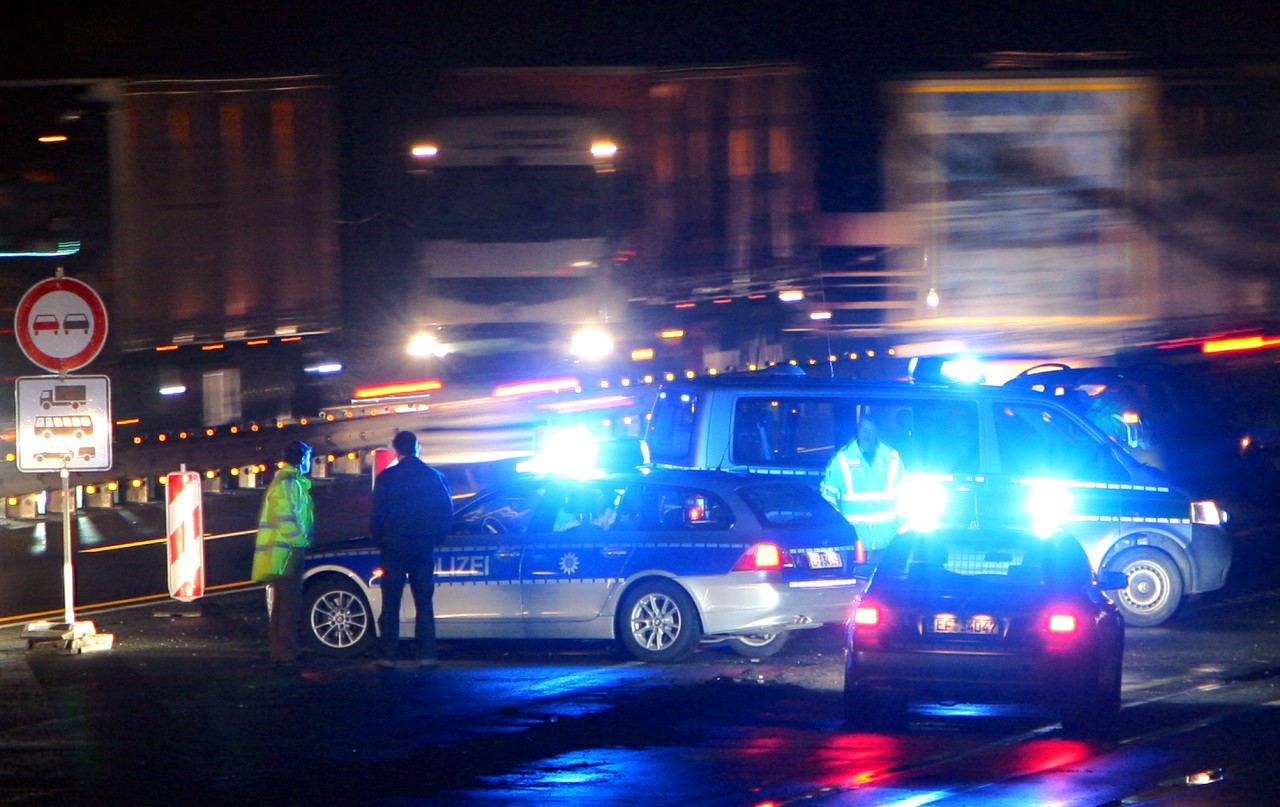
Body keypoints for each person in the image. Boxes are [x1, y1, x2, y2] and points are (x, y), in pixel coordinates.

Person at [370, 430, 454, 668]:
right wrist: (437, 537)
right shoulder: (434, 476)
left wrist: (379, 539)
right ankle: (427, 655)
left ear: (396, 450)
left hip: (394, 548)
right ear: (417, 447)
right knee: (424, 603)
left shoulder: (387, 477)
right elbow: (446, 511)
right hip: (423, 547)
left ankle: (387, 656)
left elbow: (377, 513)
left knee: (391, 603)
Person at [251, 440, 315, 670]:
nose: (310, 462)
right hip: (287, 552)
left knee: (281, 604)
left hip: (280, 552)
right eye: (308, 457)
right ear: (300, 458)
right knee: (289, 604)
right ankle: (287, 652)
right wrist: (302, 540)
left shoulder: (285, 481)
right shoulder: (289, 483)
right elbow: (287, 518)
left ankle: (279, 650)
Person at [821, 413, 904, 555]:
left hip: (886, 538)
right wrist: (838, 526)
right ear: (858, 430)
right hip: (853, 539)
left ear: (878, 431)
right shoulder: (841, 459)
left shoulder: (893, 458)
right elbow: (828, 496)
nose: (867, 434)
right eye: (864, 429)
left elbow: (903, 492)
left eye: (871, 430)